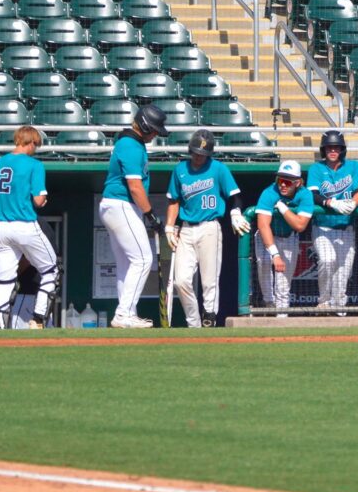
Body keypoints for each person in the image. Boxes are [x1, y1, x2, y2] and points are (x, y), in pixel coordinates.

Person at [164, 129, 248, 328]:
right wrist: (169, 226)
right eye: (195, 152)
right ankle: (193, 323)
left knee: (209, 281)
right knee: (181, 281)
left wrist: (235, 212)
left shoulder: (218, 168)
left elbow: (235, 196)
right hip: (185, 228)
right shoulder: (180, 169)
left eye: (203, 154)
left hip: (210, 227)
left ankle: (209, 318)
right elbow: (174, 200)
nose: (199, 156)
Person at [98, 105, 167, 328]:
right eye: (154, 130)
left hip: (116, 206)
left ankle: (128, 313)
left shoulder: (130, 143)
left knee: (127, 264)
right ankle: (124, 313)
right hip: (121, 204)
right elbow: (135, 186)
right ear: (145, 126)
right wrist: (150, 215)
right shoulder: (131, 146)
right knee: (144, 258)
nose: (156, 134)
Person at [0, 125, 57, 329]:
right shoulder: (34, 165)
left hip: (2, 227)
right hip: (25, 224)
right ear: (32, 142)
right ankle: (38, 319)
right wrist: (42, 200)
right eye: (36, 145)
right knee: (51, 271)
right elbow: (38, 200)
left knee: (5, 280)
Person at [306, 130, 358, 312]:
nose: (332, 150)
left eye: (336, 147)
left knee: (343, 270)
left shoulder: (353, 167)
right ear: (324, 149)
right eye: (329, 147)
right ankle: (323, 301)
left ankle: (339, 307)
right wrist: (331, 202)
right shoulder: (316, 168)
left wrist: (354, 203)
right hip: (322, 226)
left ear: (342, 149)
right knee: (327, 260)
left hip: (346, 227)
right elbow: (312, 194)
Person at [255, 160, 314, 315]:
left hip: (288, 237)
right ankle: (268, 302)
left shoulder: (305, 194)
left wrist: (283, 208)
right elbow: (263, 225)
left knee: (283, 283)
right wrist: (275, 254)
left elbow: (300, 225)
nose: (282, 185)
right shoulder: (269, 192)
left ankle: (282, 318)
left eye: (287, 181)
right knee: (264, 263)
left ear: (298, 183)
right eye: (280, 180)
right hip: (266, 237)